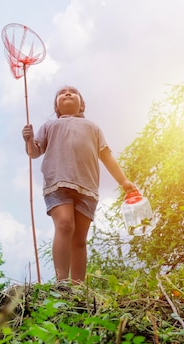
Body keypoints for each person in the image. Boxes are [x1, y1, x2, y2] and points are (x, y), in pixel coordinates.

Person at [21, 85, 136, 284]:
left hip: (87, 186)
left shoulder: (93, 127)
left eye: (72, 92)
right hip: (58, 181)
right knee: (65, 224)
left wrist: (124, 182)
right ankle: (62, 283)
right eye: (61, 93)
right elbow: (34, 152)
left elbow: (106, 156)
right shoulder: (49, 125)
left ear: (82, 105)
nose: (67, 93)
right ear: (56, 108)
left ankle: (78, 288)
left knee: (80, 239)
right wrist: (29, 140)